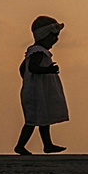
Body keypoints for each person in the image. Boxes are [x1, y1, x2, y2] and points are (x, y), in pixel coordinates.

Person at [16, 16, 69, 154]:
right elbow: (32, 67)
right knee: (32, 120)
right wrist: (47, 70)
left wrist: (29, 80)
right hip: (35, 93)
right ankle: (20, 146)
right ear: (44, 36)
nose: (56, 40)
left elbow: (23, 69)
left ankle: (47, 144)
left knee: (43, 118)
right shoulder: (38, 52)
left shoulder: (34, 51)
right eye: (53, 36)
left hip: (37, 91)